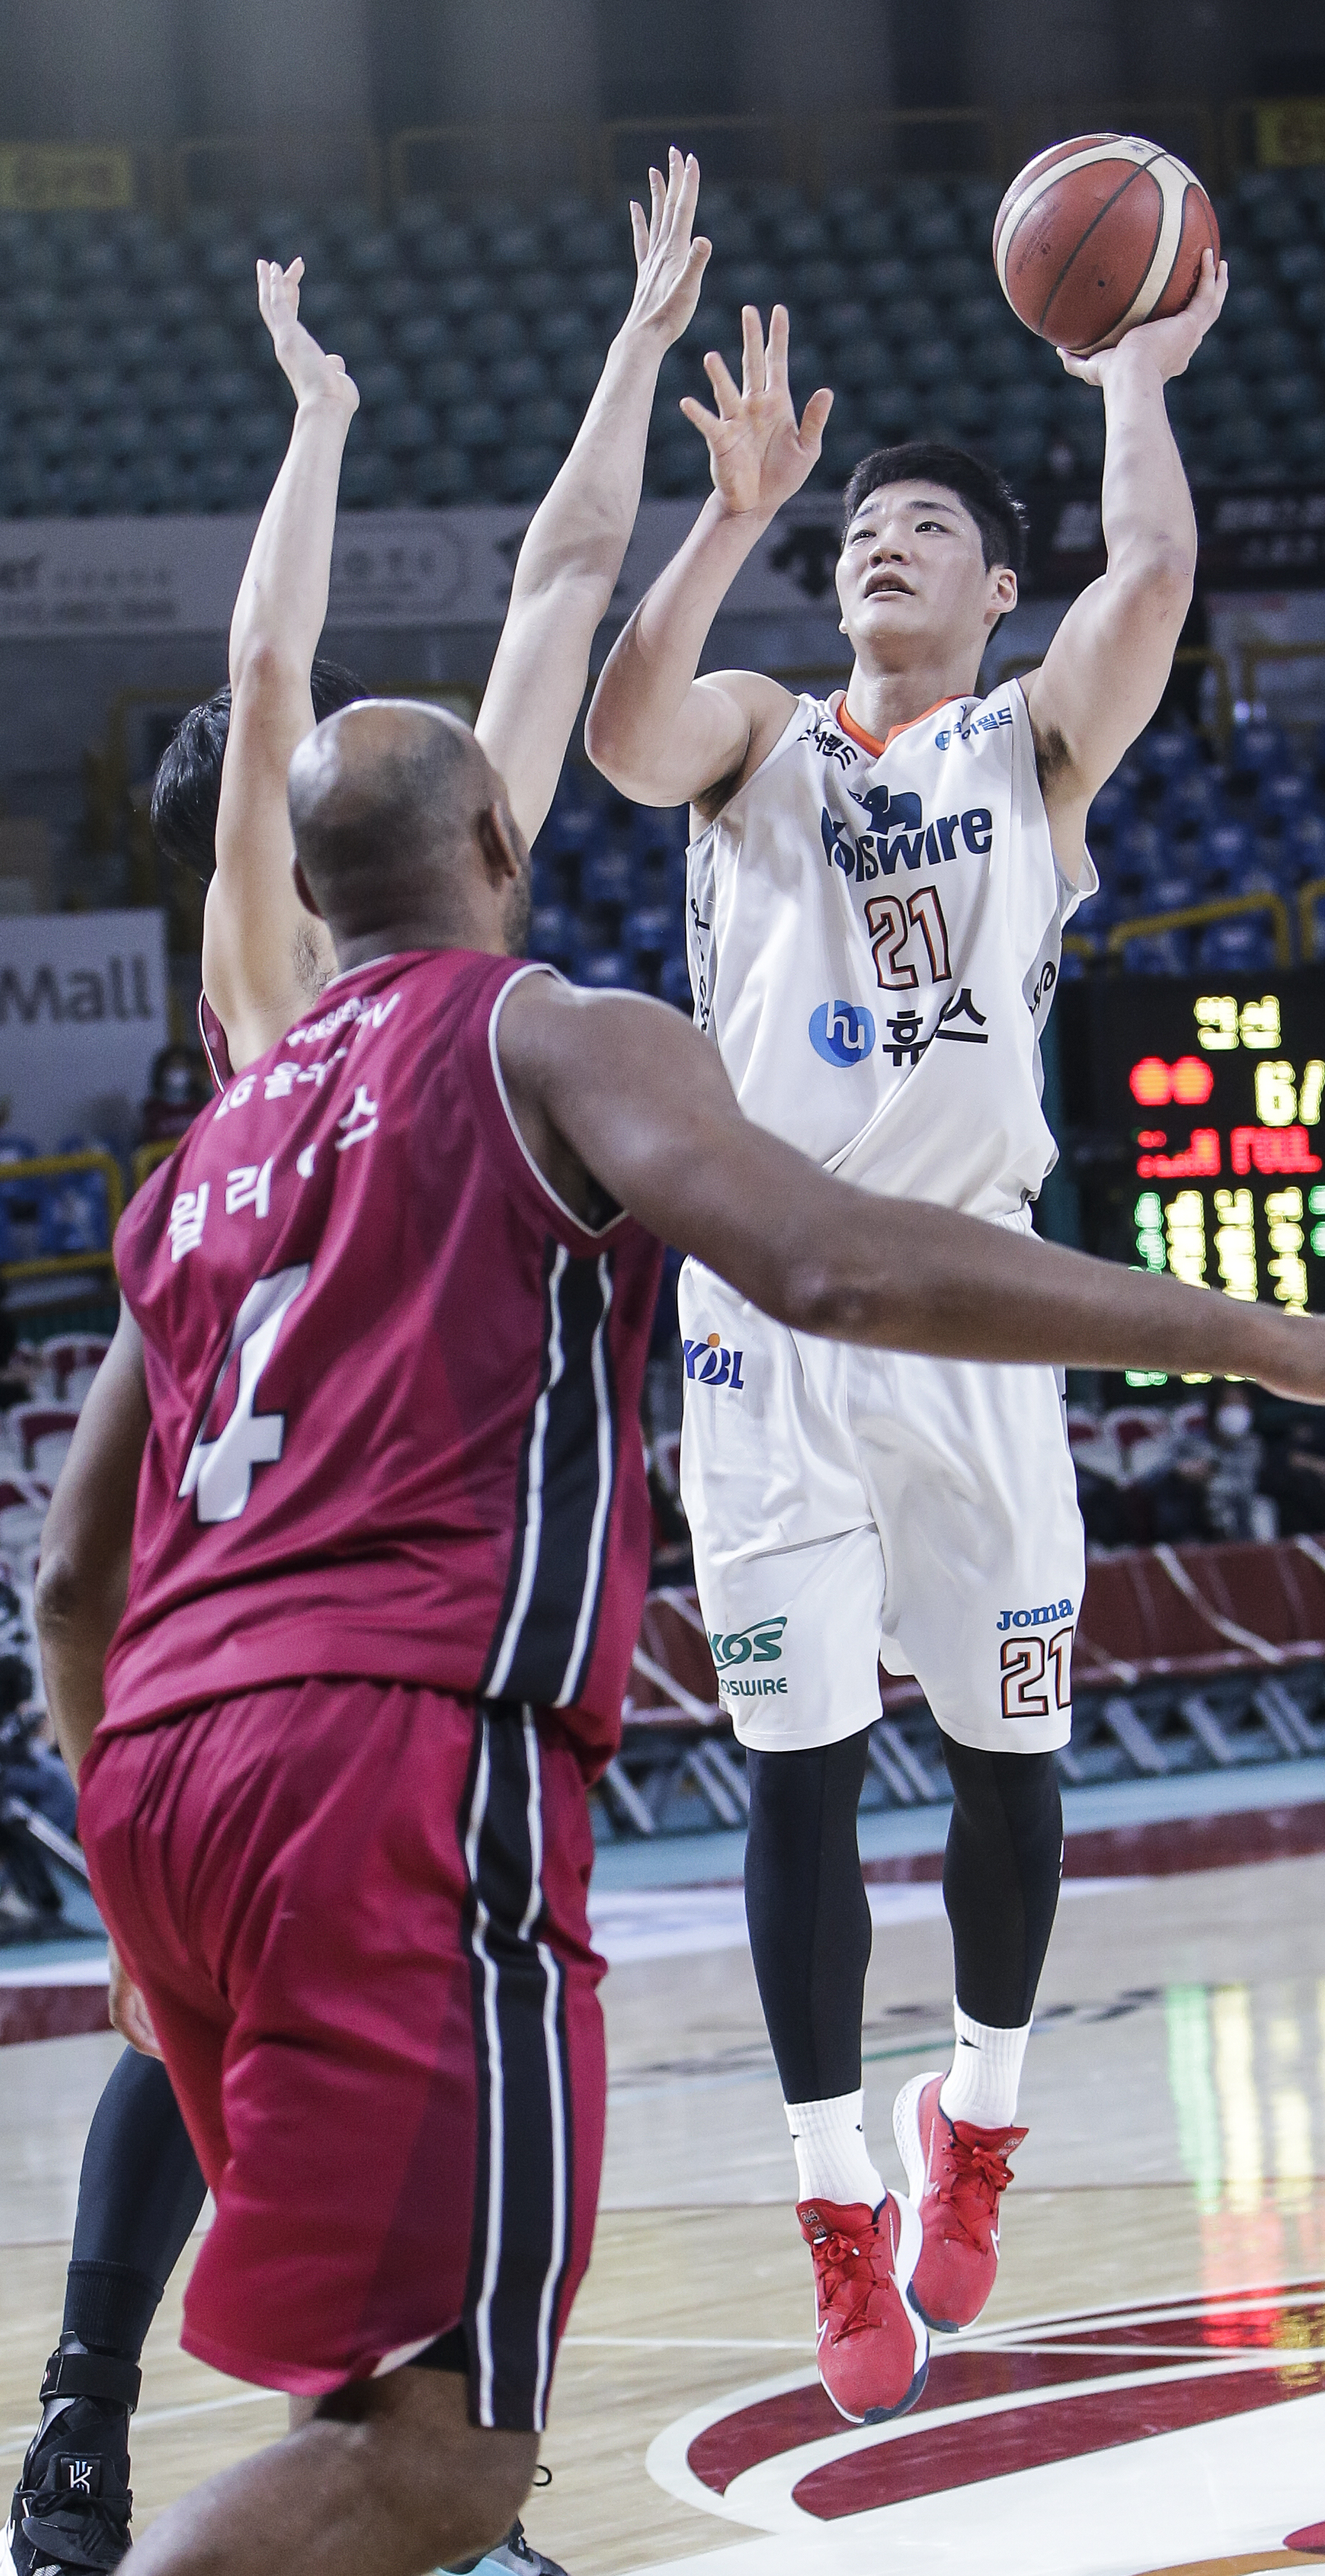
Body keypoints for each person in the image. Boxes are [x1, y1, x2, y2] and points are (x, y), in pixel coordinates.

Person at [36, 698, 1325, 2576]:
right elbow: (834, 1261)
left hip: (160, 1782)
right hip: (386, 1760)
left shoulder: (208, 1152)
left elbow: (69, 1588)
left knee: (357, 2381)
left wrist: (128, 1872)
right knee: (440, 2456)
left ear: (311, 901)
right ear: (503, 849)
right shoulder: (551, 1033)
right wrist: (1272, 1335)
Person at [9, 152, 712, 2576]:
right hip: (298, 1576)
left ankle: (246, 2447)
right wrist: (324, 424)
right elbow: (283, 673)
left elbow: (522, 601)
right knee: (230, 2036)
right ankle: (139, 2430)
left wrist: (612, 363)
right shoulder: (316, 981)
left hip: (245, 1589)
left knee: (262, 2042)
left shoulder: (397, 972)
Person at [583, 253, 1238, 2415]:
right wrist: (733, 515)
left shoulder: (1032, 742)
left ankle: (982, 2113)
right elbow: (620, 730)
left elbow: (1150, 566)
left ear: (993, 585)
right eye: (860, 524)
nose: (883, 538)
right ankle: (833, 2191)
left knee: (1007, 1760)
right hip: (773, 1315)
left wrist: (1133, 371)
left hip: (974, 1307)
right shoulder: (764, 732)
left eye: (923, 524)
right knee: (790, 1777)